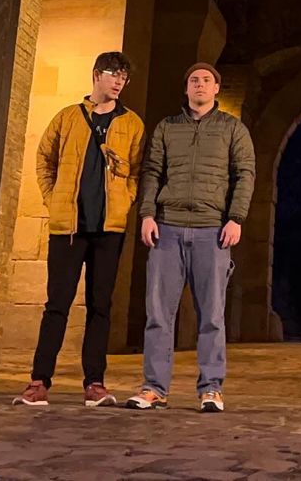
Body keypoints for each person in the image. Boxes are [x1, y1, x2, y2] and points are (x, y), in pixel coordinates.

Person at [13, 50, 144, 408]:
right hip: (68, 229)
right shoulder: (68, 117)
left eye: (123, 77)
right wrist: (52, 198)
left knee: (101, 306)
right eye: (113, 74)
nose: (118, 82)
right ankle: (39, 381)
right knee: (57, 305)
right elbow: (44, 159)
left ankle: (95, 383)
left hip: (109, 229)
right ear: (96, 75)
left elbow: (135, 170)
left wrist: (126, 200)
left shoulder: (132, 123)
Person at [125, 62, 255, 413]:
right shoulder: (167, 127)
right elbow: (152, 171)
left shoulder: (232, 129)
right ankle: (154, 388)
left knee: (211, 316)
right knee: (158, 315)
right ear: (186, 88)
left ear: (216, 89)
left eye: (207, 80)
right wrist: (147, 214)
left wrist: (236, 218)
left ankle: (211, 388)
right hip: (167, 228)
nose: (200, 85)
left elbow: (245, 174)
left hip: (212, 231)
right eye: (194, 80)